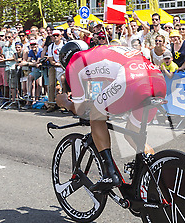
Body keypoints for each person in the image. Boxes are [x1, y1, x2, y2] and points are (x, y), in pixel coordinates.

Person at [55, 42, 166, 191]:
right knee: (132, 135)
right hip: (157, 79)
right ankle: (157, 176)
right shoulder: (101, 51)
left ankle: (109, 174)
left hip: (130, 79)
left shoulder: (74, 63)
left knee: (96, 115)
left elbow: (80, 109)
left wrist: (65, 103)